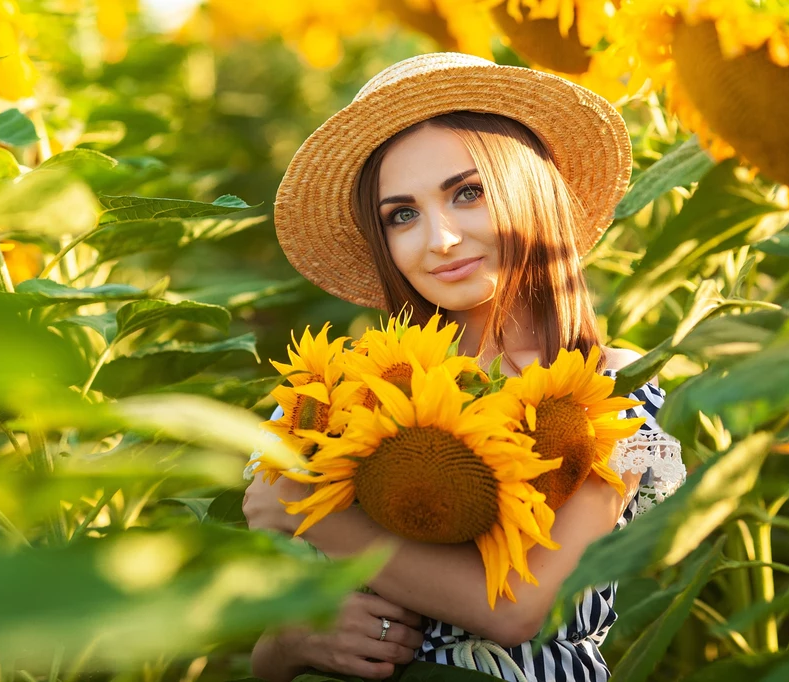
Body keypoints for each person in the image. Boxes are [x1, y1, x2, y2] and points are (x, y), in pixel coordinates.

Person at [242, 52, 686, 682]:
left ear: (529, 189)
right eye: (403, 215)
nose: (439, 238)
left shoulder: (609, 391)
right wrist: (289, 643)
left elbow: (518, 611)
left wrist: (311, 511)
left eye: (468, 193)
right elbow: (265, 652)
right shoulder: (336, 394)